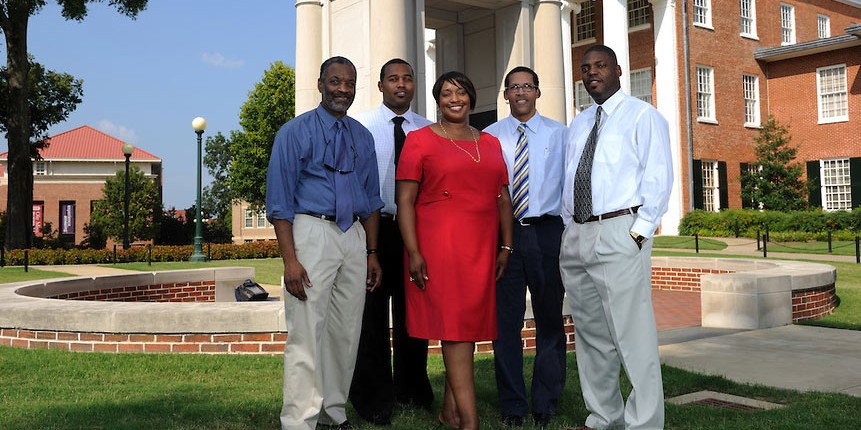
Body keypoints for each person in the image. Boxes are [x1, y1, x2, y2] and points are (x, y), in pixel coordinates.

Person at [266, 56, 384, 430]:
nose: (343, 90)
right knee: (306, 332)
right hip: (311, 231)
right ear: (320, 84)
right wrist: (290, 260)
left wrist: (371, 253)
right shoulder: (293, 133)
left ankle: (334, 412)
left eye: (349, 83)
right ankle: (299, 420)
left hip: (353, 236)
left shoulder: (362, 136)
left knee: (345, 332)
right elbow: (280, 202)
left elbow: (372, 201)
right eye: (335, 82)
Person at [560, 45, 673, 430]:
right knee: (591, 335)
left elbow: (658, 180)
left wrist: (637, 237)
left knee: (632, 335)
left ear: (619, 70)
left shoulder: (644, 117)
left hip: (620, 232)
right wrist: (568, 228)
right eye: (586, 68)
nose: (592, 73)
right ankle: (603, 417)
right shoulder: (578, 123)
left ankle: (644, 423)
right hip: (577, 234)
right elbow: (570, 180)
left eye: (601, 66)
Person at [396, 71, 514, 430]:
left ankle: (449, 412)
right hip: (440, 246)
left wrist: (506, 245)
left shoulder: (490, 142)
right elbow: (404, 201)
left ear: (471, 97)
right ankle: (470, 421)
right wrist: (413, 252)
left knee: (468, 327)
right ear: (437, 100)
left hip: (480, 246)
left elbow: (502, 198)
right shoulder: (419, 140)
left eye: (460, 92)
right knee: (456, 329)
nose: (454, 99)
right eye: (446, 93)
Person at [349, 58, 434, 425]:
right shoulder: (362, 127)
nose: (401, 85)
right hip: (374, 227)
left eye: (408, 79)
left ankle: (413, 389)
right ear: (381, 85)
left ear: (415, 85)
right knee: (370, 316)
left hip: (416, 230)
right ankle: (373, 396)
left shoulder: (430, 130)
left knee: (413, 313)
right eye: (393, 79)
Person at [483, 66, 567, 429]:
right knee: (505, 323)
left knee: (549, 321)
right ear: (505, 95)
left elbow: (569, 184)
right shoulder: (488, 137)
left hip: (547, 233)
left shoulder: (560, 134)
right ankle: (513, 405)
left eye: (527, 86)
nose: (520, 92)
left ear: (537, 91)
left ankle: (545, 402)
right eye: (513, 87)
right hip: (504, 235)